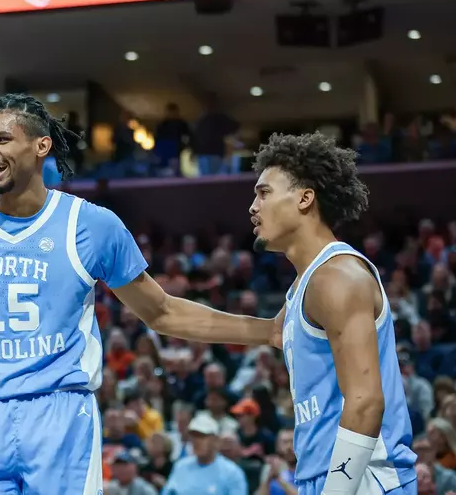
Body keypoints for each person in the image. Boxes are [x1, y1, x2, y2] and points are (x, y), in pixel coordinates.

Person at [0, 93, 279, 495]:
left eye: (2, 140)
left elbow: (161, 312)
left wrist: (266, 331)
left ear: (42, 146)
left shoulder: (91, 224)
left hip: (61, 415)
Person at [160, 133, 417, 494]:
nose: (253, 207)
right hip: (325, 474)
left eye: (264, 193)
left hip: (364, 477)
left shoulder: (336, 277)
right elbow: (248, 328)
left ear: (304, 198)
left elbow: (366, 402)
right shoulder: (303, 286)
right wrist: (153, 308)